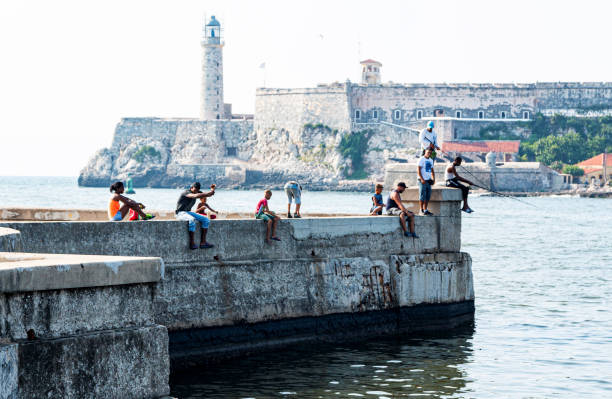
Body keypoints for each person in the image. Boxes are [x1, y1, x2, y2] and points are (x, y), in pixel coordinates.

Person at [175, 182, 216, 250]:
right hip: (180, 213)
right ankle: (192, 243)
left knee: (206, 220)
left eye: (197, 190)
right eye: (195, 189)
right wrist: (203, 193)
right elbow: (195, 196)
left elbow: (208, 195)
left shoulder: (196, 192)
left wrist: (212, 190)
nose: (196, 191)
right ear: (191, 188)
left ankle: (203, 243)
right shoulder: (186, 192)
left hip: (188, 212)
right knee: (192, 219)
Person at [417, 148, 435, 215]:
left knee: (428, 195)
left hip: (428, 180)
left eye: (430, 152)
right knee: (422, 195)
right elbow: (418, 170)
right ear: (425, 152)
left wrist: (433, 179)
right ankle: (421, 209)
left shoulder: (431, 160)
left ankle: (425, 209)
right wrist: (422, 179)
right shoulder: (421, 159)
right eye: (428, 152)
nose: (429, 153)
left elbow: (432, 171)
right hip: (422, 180)